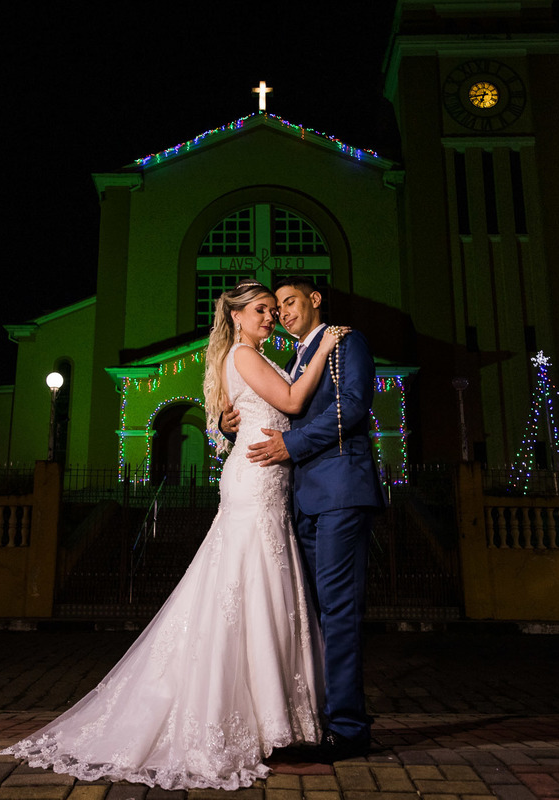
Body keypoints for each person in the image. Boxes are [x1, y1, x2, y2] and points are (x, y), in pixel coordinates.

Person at [0, 280, 349, 790]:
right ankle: (257, 725)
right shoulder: (244, 356)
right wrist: (325, 346)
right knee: (248, 587)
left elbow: (239, 417)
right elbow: (294, 402)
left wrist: (228, 422)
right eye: (260, 310)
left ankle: (268, 721)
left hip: (267, 483)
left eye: (272, 310)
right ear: (236, 316)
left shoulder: (253, 358)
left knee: (254, 590)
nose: (269, 317)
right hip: (255, 483)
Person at [225, 276, 385, 762]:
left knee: (338, 610)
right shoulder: (292, 358)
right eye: (275, 308)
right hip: (299, 500)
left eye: (289, 302)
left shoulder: (345, 341)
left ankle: (348, 729)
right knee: (309, 613)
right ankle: (312, 716)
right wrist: (226, 425)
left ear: (315, 300)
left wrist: (291, 444)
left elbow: (352, 406)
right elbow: (275, 409)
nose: (282, 314)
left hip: (340, 491)